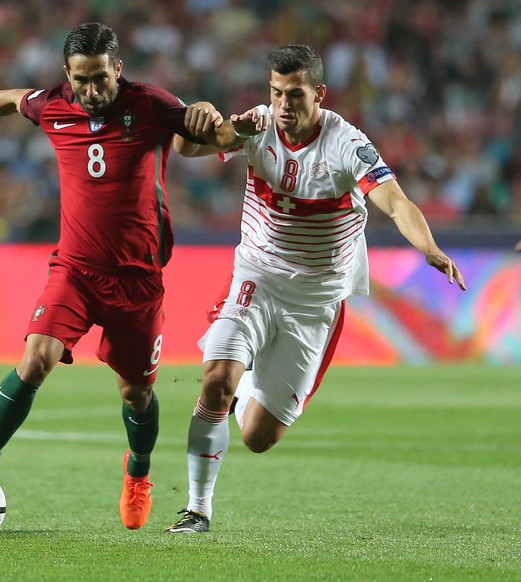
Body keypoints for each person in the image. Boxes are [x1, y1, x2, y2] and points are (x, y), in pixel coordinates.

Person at [164, 45, 466, 533]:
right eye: (276, 92)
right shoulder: (257, 125)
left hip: (315, 302)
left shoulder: (347, 144)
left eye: (295, 94)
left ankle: (249, 377)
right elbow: (187, 148)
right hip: (256, 277)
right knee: (218, 378)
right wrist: (219, 126)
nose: (284, 104)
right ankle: (197, 508)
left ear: (319, 94)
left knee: (258, 436)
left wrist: (429, 248)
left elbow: (396, 201)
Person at [0, 22, 208, 530]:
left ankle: (138, 472)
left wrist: (220, 121)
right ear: (66, 74)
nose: (92, 91)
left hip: (138, 280)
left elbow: (200, 134)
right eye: (81, 80)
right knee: (35, 359)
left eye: (100, 78)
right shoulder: (52, 104)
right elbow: (12, 98)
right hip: (74, 269)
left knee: (135, 394)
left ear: (117, 69)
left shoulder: (149, 103)